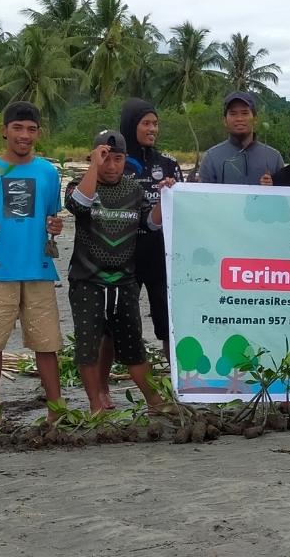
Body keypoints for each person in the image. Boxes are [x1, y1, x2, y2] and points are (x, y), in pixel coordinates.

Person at [65, 130, 178, 413]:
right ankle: (96, 405)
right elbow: (79, 205)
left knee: (133, 346)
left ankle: (154, 400)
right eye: (105, 158)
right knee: (88, 346)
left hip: (124, 282)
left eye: (118, 159)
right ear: (94, 157)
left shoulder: (134, 190)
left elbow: (149, 224)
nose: (112, 165)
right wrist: (93, 166)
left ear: (125, 159)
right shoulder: (77, 186)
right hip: (88, 280)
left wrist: (164, 198)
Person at [0, 102, 63, 421]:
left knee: (47, 343)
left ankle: (55, 409)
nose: (24, 135)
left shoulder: (48, 172)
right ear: (4, 130)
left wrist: (55, 226)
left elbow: (52, 216)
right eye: (18, 128)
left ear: (38, 133)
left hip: (39, 269)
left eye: (31, 129)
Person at [111, 98, 182, 407]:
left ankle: (179, 384)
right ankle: (101, 392)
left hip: (160, 257)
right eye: (146, 123)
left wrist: (172, 190)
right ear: (131, 125)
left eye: (156, 123)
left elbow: (183, 209)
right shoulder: (116, 163)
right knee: (116, 325)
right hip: (122, 256)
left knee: (168, 323)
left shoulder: (169, 164)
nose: (153, 128)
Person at [200, 91, 284, 185]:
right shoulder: (211, 158)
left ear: (255, 119)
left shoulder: (274, 158)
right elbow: (205, 198)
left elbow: (283, 197)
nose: (239, 119)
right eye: (233, 114)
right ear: (224, 121)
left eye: (245, 113)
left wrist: (271, 188)